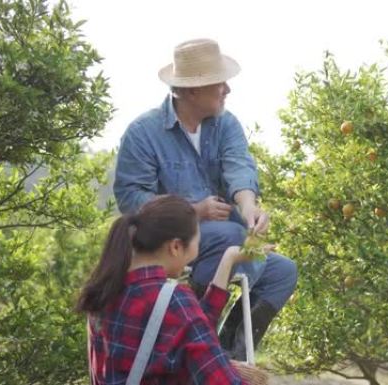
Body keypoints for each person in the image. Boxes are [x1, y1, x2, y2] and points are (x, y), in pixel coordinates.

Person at [113, 38, 297, 360]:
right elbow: (130, 200)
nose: (228, 89)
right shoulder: (142, 133)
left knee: (283, 271)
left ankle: (226, 354)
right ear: (191, 91)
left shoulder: (227, 124)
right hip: (170, 247)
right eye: (219, 83)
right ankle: (194, 330)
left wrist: (249, 207)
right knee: (230, 234)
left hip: (223, 245)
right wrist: (192, 212)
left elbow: (239, 168)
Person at [77, 195, 251, 384]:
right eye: (196, 244)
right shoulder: (173, 300)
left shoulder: (104, 289)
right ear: (176, 246)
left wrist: (228, 260)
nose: (196, 253)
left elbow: (191, 333)